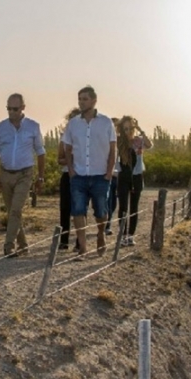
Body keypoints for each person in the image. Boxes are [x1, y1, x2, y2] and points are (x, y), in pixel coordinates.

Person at [62, 86, 116, 259]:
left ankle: (101, 234)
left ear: (94, 101)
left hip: (100, 175)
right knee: (77, 210)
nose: (81, 102)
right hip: (78, 175)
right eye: (79, 99)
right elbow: (67, 147)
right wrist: (71, 170)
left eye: (85, 99)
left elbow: (113, 149)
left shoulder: (106, 122)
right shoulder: (73, 124)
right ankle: (83, 248)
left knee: (101, 211)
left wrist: (109, 172)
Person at [0, 93, 46, 257]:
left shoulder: (33, 126)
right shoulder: (1, 127)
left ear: (23, 108)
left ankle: (9, 246)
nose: (11, 112)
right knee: (12, 211)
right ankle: (23, 244)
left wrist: (40, 177)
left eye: (15, 108)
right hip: (5, 173)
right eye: (8, 108)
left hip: (25, 174)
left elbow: (40, 152)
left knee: (16, 210)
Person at [116, 116, 152, 246]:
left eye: (130, 128)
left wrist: (140, 130)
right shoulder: (119, 141)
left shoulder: (139, 141)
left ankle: (130, 236)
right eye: (125, 128)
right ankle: (122, 235)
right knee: (123, 207)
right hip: (123, 176)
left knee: (134, 207)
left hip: (136, 176)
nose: (128, 131)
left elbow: (149, 145)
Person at [57, 108, 81, 250]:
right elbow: (59, 160)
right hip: (67, 175)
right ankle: (64, 240)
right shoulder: (64, 138)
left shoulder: (87, 138)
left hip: (81, 175)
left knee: (80, 208)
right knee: (65, 208)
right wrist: (69, 158)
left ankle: (79, 241)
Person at [105, 117, 120, 236]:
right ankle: (107, 225)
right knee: (108, 201)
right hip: (110, 175)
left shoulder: (122, 142)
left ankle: (107, 222)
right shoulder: (106, 141)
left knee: (114, 203)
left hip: (120, 176)